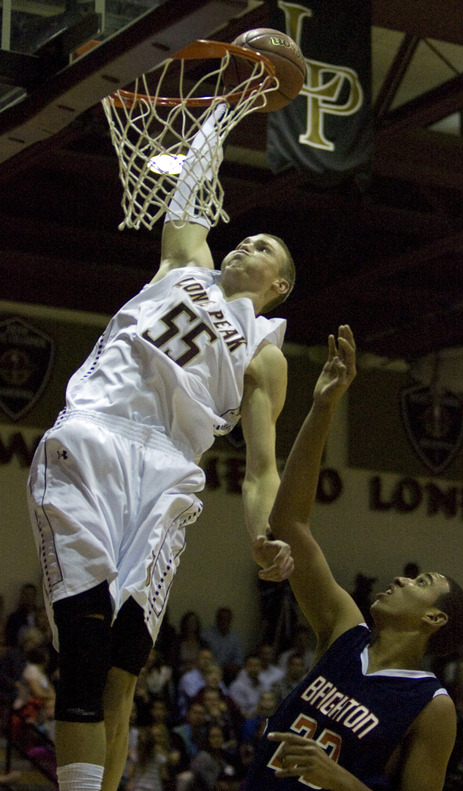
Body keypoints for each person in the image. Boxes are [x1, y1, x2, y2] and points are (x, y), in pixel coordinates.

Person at [26, 102, 295, 791]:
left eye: (265, 248)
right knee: (84, 650)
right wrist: (230, 108)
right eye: (246, 238)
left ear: (280, 286)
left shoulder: (265, 352)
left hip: (169, 473)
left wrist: (263, 533)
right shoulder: (184, 263)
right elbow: (191, 190)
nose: (246, 246)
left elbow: (262, 467)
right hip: (94, 436)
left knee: (124, 666)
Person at [243, 325, 463, 791]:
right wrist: (323, 407)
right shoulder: (346, 632)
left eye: (421, 582)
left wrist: (337, 779)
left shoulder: (432, 705)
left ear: (433, 618)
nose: (402, 580)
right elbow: (290, 524)